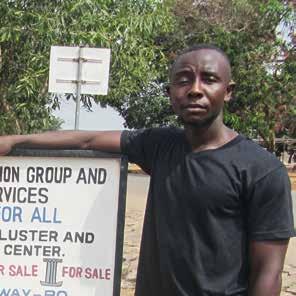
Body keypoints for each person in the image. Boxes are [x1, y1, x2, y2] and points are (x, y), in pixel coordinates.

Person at [0, 44, 295, 296]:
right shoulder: (160, 146)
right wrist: (13, 141)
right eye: (183, 80)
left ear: (228, 91)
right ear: (170, 93)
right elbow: (86, 138)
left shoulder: (262, 170)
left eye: (209, 79)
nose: (195, 89)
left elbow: (268, 272)